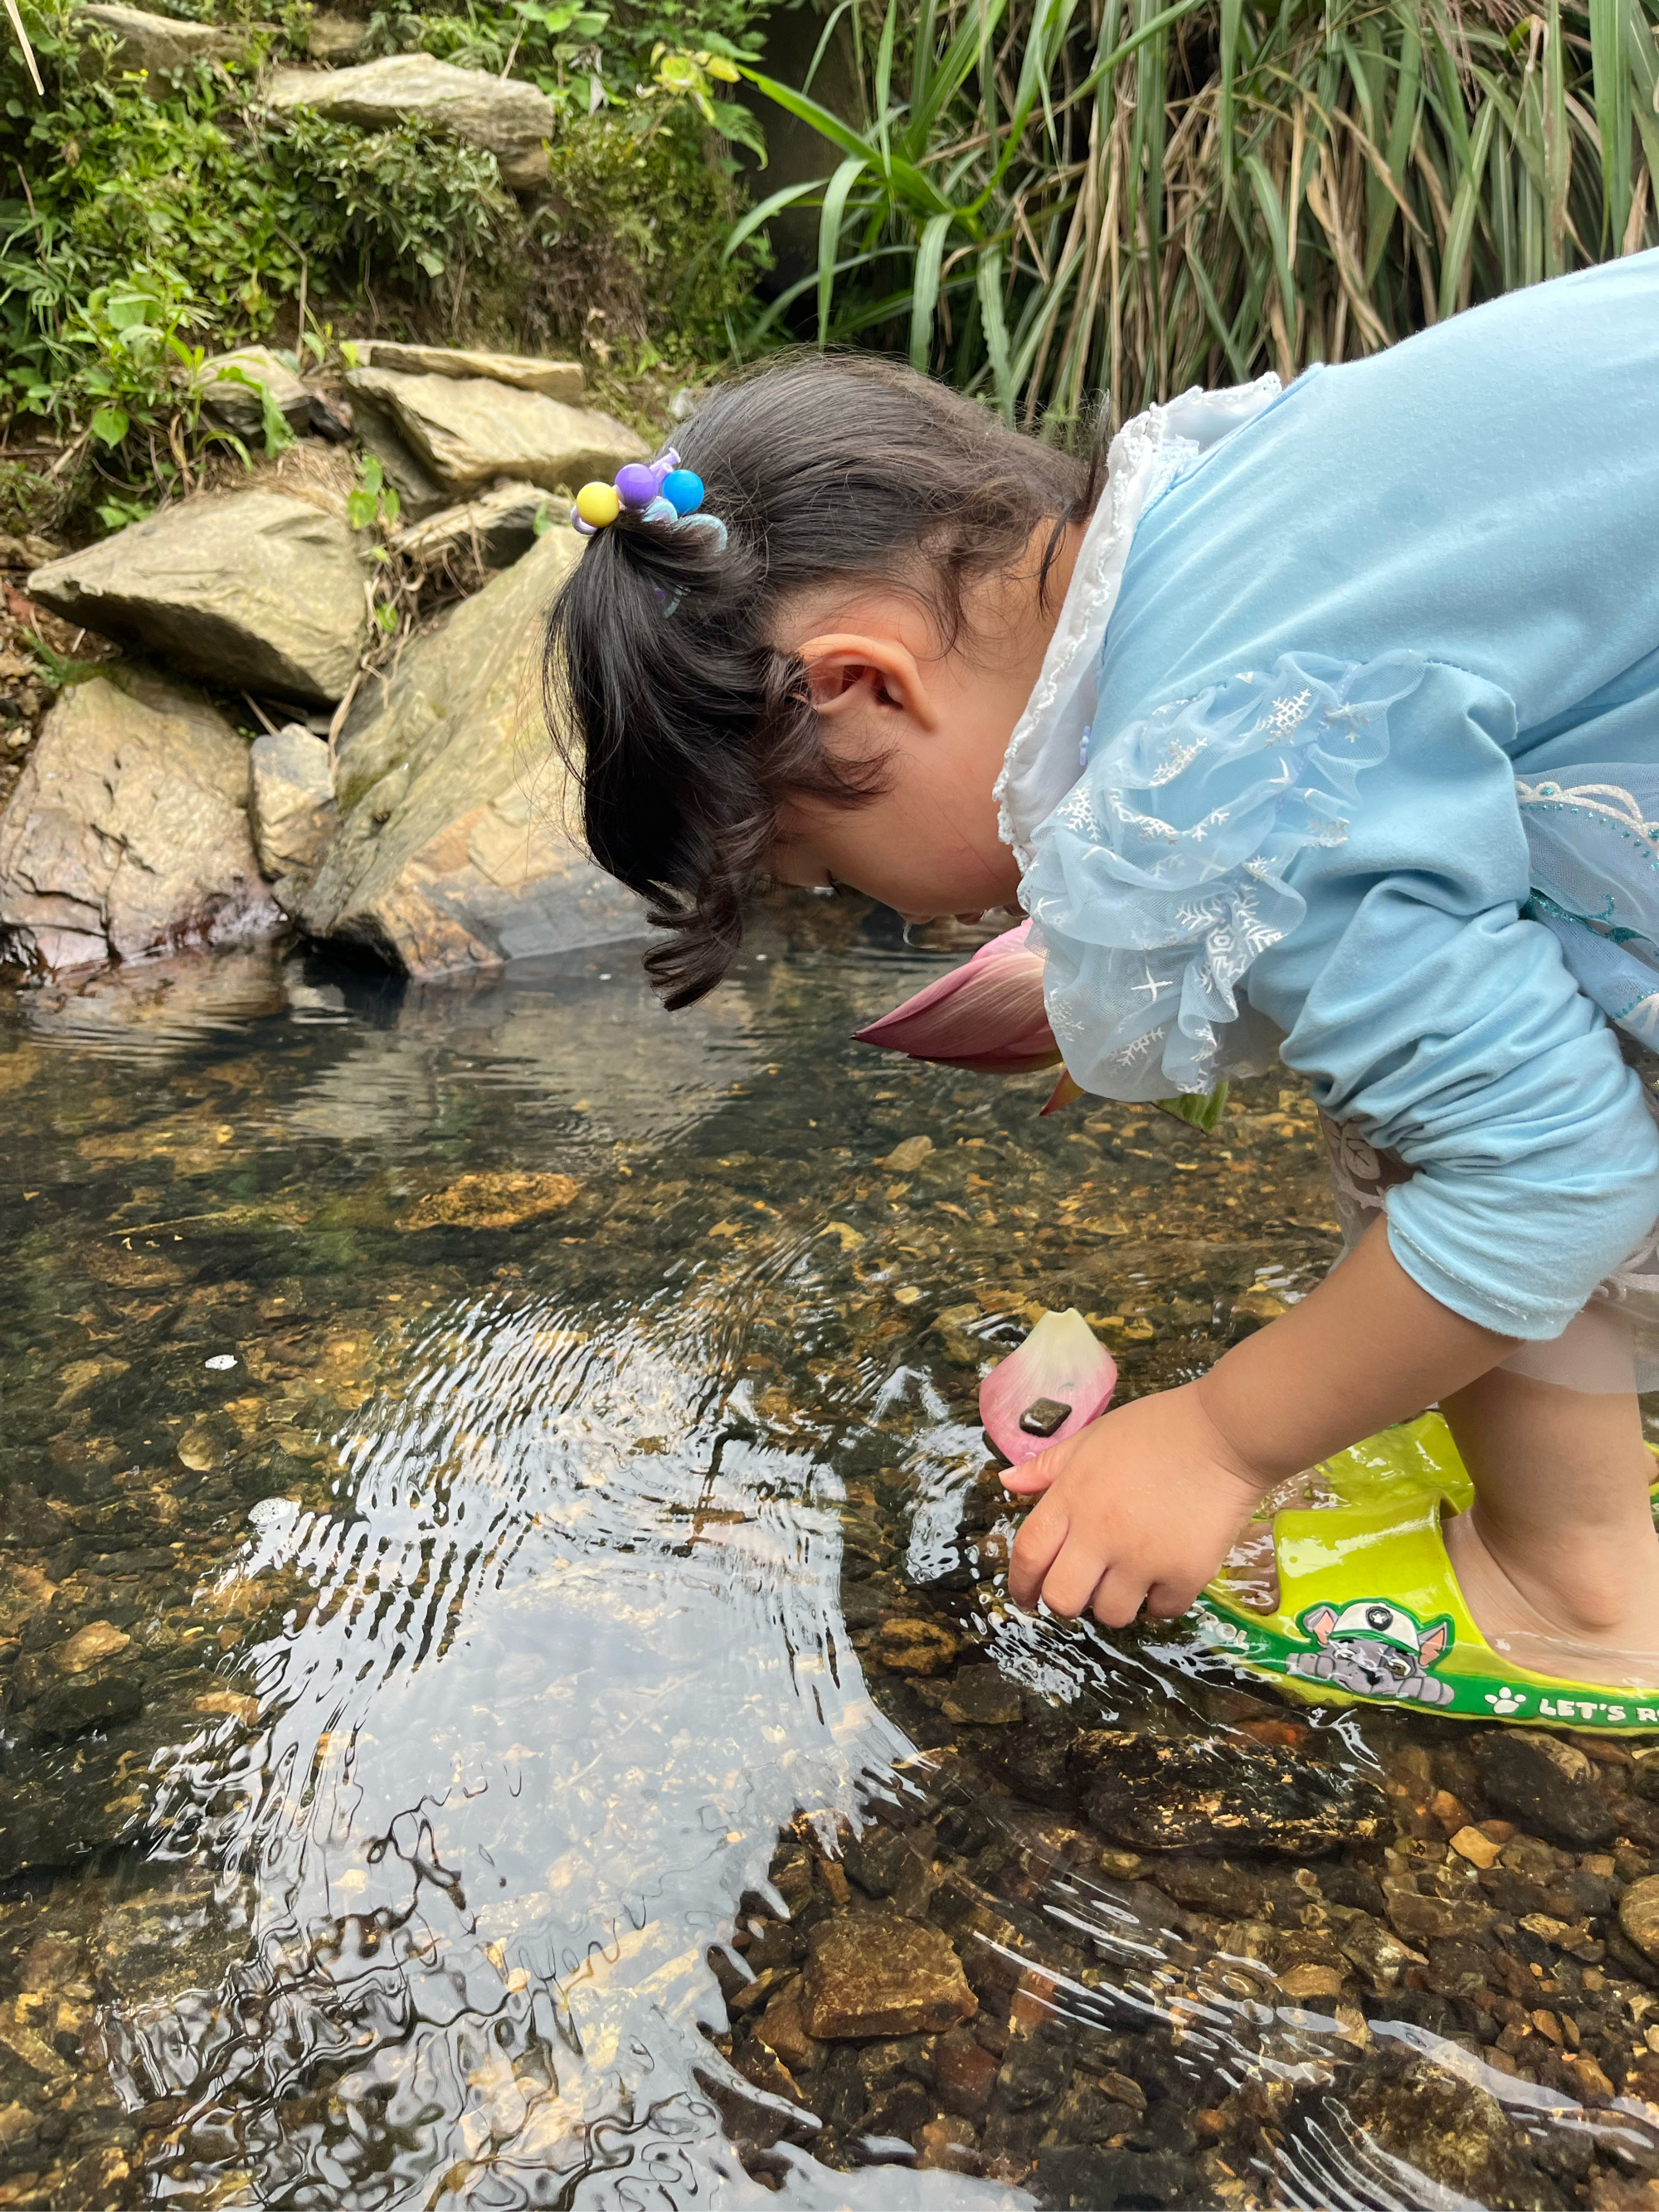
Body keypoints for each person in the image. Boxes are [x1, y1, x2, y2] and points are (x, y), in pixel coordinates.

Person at [544, 253, 1659, 1691]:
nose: (892, 916)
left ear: (862, 685)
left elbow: (1549, 1166)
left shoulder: (1218, 756)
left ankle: (1582, 1586)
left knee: (1432, 1133)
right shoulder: (1213, 515)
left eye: (828, 873)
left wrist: (1220, 1441)